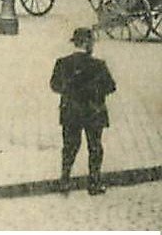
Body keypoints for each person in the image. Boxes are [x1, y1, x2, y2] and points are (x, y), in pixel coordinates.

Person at [50, 26, 117, 195]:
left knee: (69, 147)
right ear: (87, 44)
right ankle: (94, 183)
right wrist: (94, 92)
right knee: (95, 147)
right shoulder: (98, 65)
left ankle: (65, 180)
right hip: (93, 111)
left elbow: (54, 85)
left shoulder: (62, 63)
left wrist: (70, 91)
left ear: (75, 43)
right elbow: (111, 86)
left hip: (71, 111)